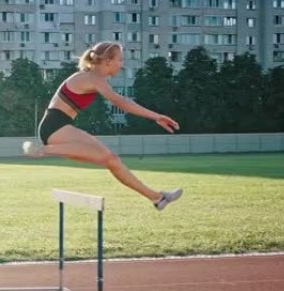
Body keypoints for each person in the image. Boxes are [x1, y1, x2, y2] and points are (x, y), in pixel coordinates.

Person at [22, 41, 183, 211]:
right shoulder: (93, 78)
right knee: (109, 157)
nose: (122, 64)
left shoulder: (92, 78)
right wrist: (156, 116)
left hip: (60, 125)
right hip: (55, 126)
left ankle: (158, 198)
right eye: (120, 60)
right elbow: (122, 103)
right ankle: (41, 149)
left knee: (112, 160)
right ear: (108, 61)